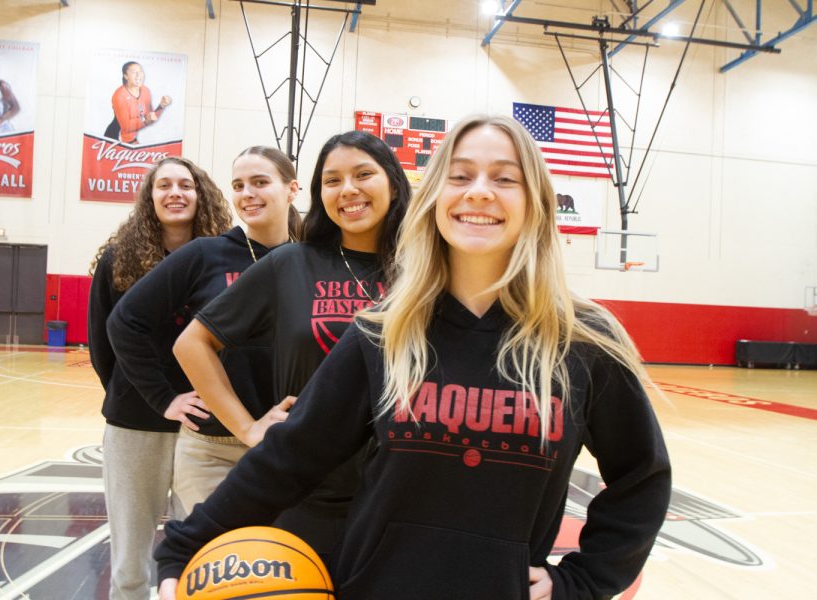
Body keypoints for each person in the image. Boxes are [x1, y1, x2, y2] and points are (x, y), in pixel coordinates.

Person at [155, 115, 672, 600]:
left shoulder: (583, 342)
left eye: (505, 178)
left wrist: (581, 581)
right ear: (433, 200)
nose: (479, 191)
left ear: (536, 201)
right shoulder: (383, 332)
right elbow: (290, 457)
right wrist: (182, 545)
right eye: (460, 175)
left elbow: (641, 475)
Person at [170, 130, 410, 559]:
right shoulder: (291, 263)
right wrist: (246, 427)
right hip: (305, 495)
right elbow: (192, 343)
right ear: (319, 193)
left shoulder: (426, 271)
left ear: (392, 181)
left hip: (401, 494)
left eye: (363, 174)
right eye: (332, 180)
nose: (348, 189)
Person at [106, 146, 303, 518]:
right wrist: (163, 398)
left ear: (292, 190)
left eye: (260, 182)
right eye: (239, 185)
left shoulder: (311, 258)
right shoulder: (205, 254)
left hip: (288, 443)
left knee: (281, 567)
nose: (247, 194)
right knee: (217, 566)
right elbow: (123, 322)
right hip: (213, 447)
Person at [88, 156, 233, 600]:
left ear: (200, 194)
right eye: (164, 185)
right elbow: (103, 348)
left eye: (186, 185)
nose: (175, 193)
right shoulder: (118, 261)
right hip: (136, 426)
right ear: (149, 198)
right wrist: (154, 397)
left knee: (204, 550)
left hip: (208, 427)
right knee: (130, 558)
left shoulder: (222, 259)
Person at [104, 61, 172, 144]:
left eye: (140, 71)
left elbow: (150, 116)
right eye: (134, 72)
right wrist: (146, 121)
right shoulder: (119, 95)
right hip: (115, 139)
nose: (138, 75)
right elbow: (126, 127)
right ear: (126, 76)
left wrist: (161, 106)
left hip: (131, 137)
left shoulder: (145, 90)